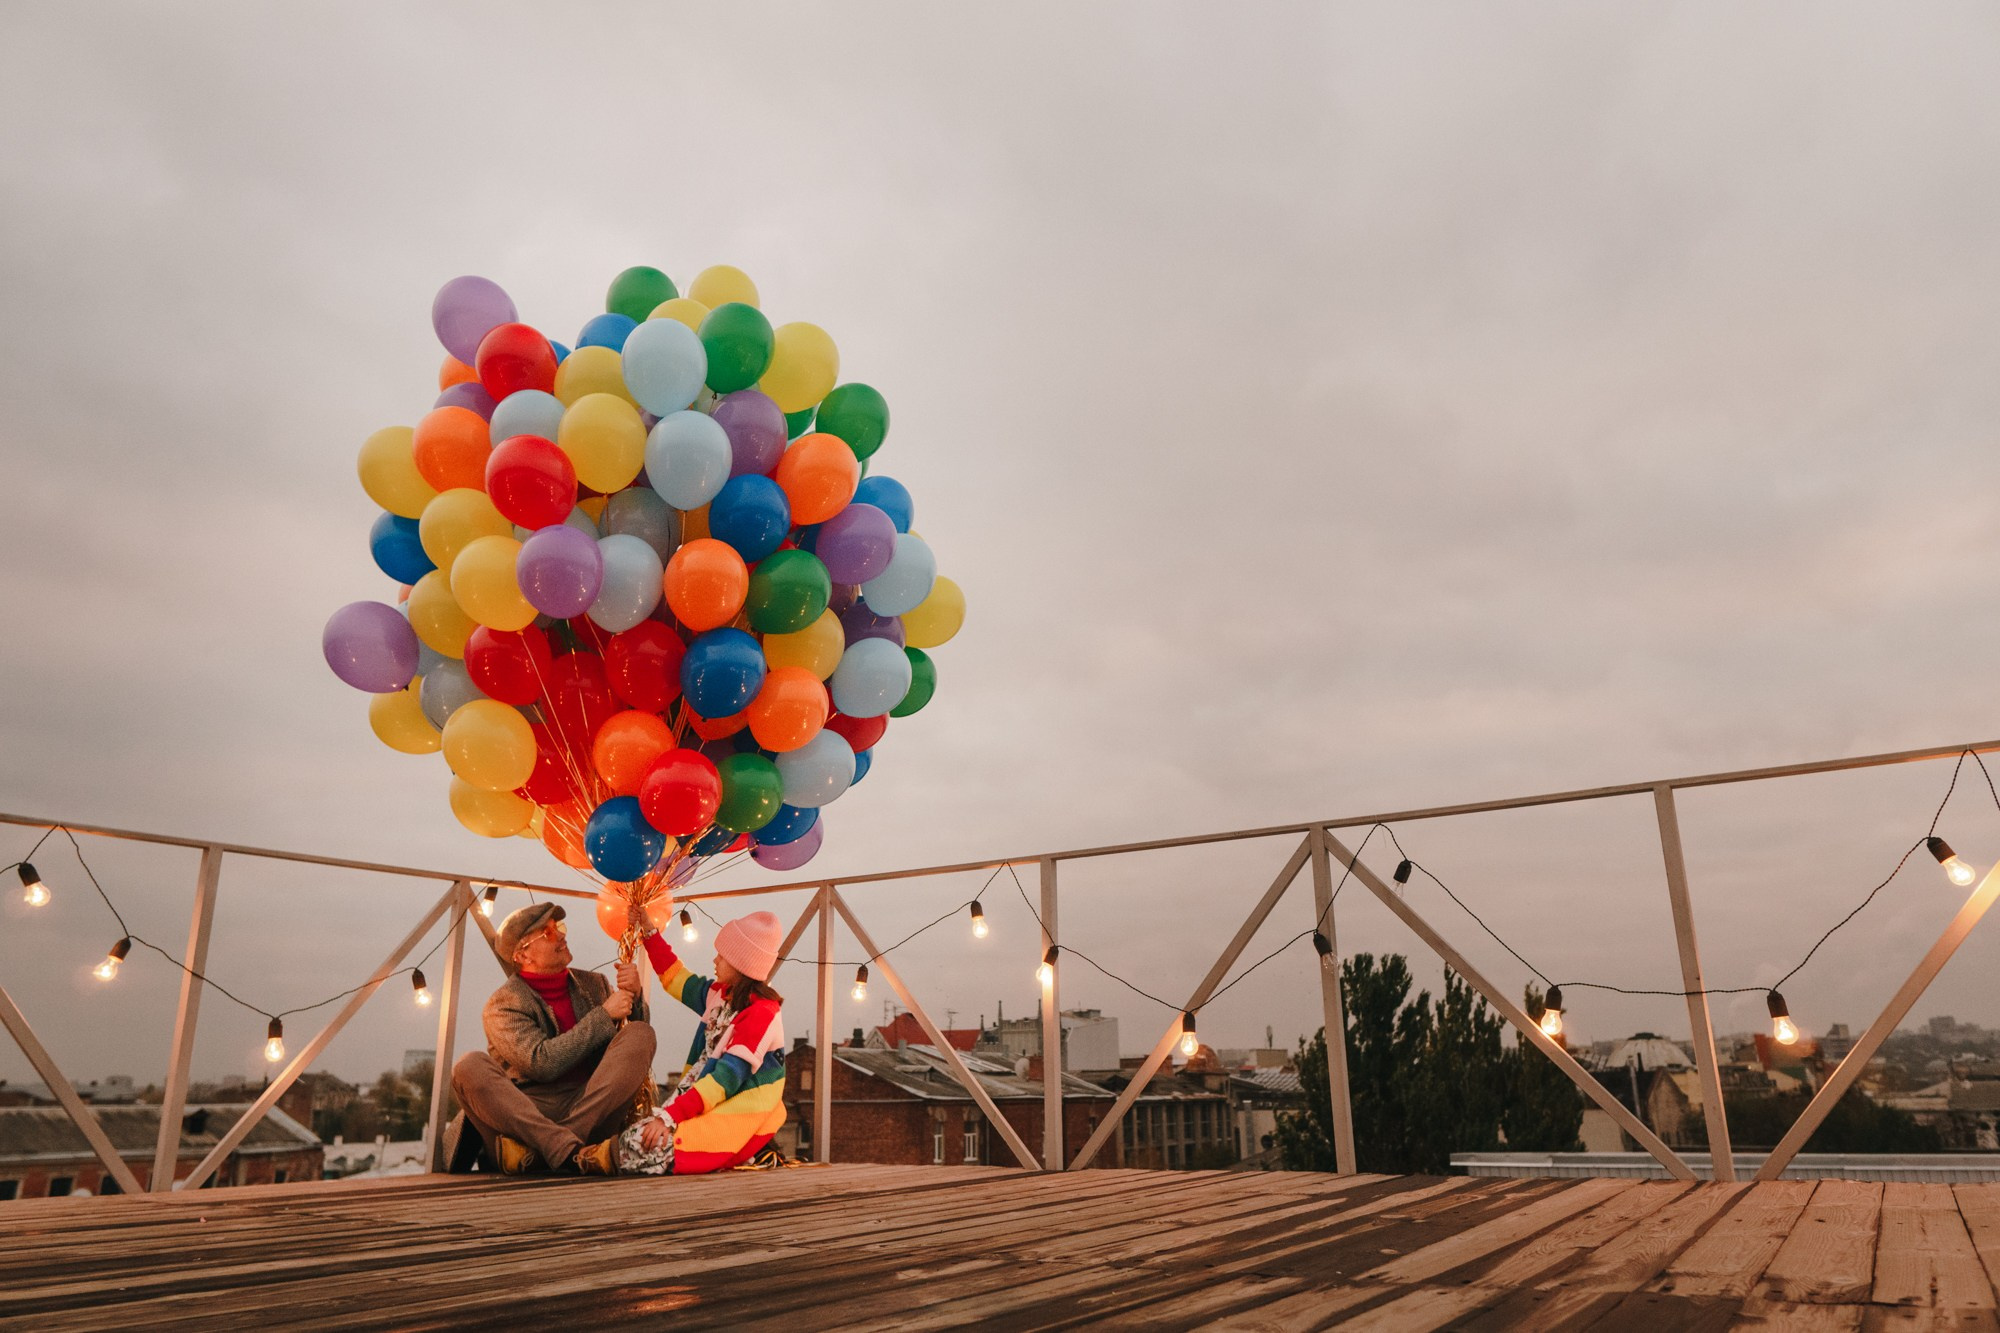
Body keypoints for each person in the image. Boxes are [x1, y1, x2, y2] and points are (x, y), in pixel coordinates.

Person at [447, 902, 655, 1175]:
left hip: (590, 1105)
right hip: (531, 1111)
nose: (561, 935)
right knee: (468, 1066)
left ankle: (547, 1152)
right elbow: (541, 1064)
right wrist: (603, 1015)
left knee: (641, 1035)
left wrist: (635, 997)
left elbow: (626, 1053)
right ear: (523, 955)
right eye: (548, 933)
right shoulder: (502, 1005)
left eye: (558, 928)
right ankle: (573, 1153)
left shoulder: (595, 984)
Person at [615, 909, 787, 1175]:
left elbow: (724, 1081)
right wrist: (649, 932)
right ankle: (589, 1157)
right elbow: (675, 977)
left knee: (640, 1142)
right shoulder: (719, 996)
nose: (715, 959)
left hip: (730, 1113)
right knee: (638, 1137)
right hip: (696, 1104)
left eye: (723, 955)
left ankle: (587, 1159)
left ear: (741, 964)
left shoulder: (761, 1015)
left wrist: (670, 1118)